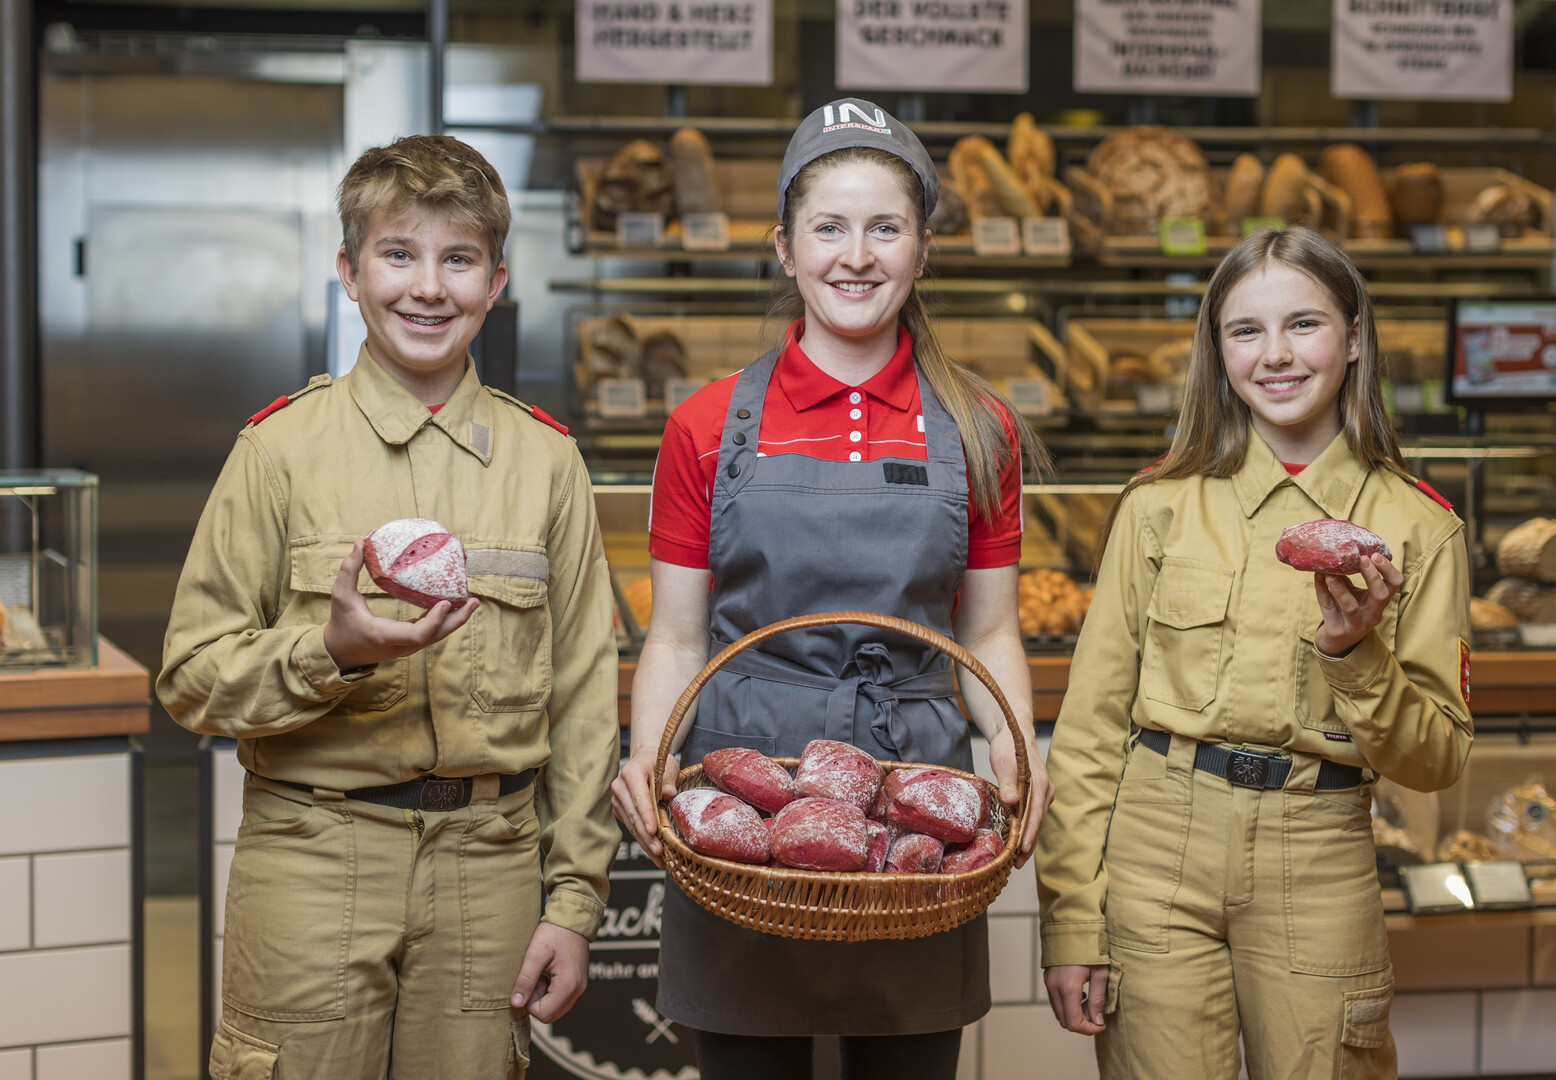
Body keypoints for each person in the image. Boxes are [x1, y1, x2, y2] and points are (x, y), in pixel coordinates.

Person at [158, 134, 621, 1080]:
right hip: (311, 853)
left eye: (458, 259)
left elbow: (583, 702)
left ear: (496, 282)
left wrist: (573, 906)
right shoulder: (277, 452)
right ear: (349, 270)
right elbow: (190, 678)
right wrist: (329, 652)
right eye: (397, 254)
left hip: (490, 863)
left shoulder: (548, 463)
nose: (427, 288)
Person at [609, 98, 1053, 1080]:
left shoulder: (981, 427)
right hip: (741, 800)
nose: (857, 256)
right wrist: (649, 758)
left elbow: (986, 635)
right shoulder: (704, 425)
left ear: (924, 250)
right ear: (785, 247)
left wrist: (1016, 752)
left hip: (913, 806)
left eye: (885, 227)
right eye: (829, 227)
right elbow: (677, 639)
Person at [1036, 225, 1474, 1079]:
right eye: (1246, 331)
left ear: (1353, 339)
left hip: (1318, 850)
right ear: (1218, 350)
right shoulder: (1159, 505)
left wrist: (1357, 654)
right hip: (1156, 846)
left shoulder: (1420, 527)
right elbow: (1089, 734)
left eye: (1303, 325)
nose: (1275, 355)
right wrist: (1072, 919)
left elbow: (1438, 760)